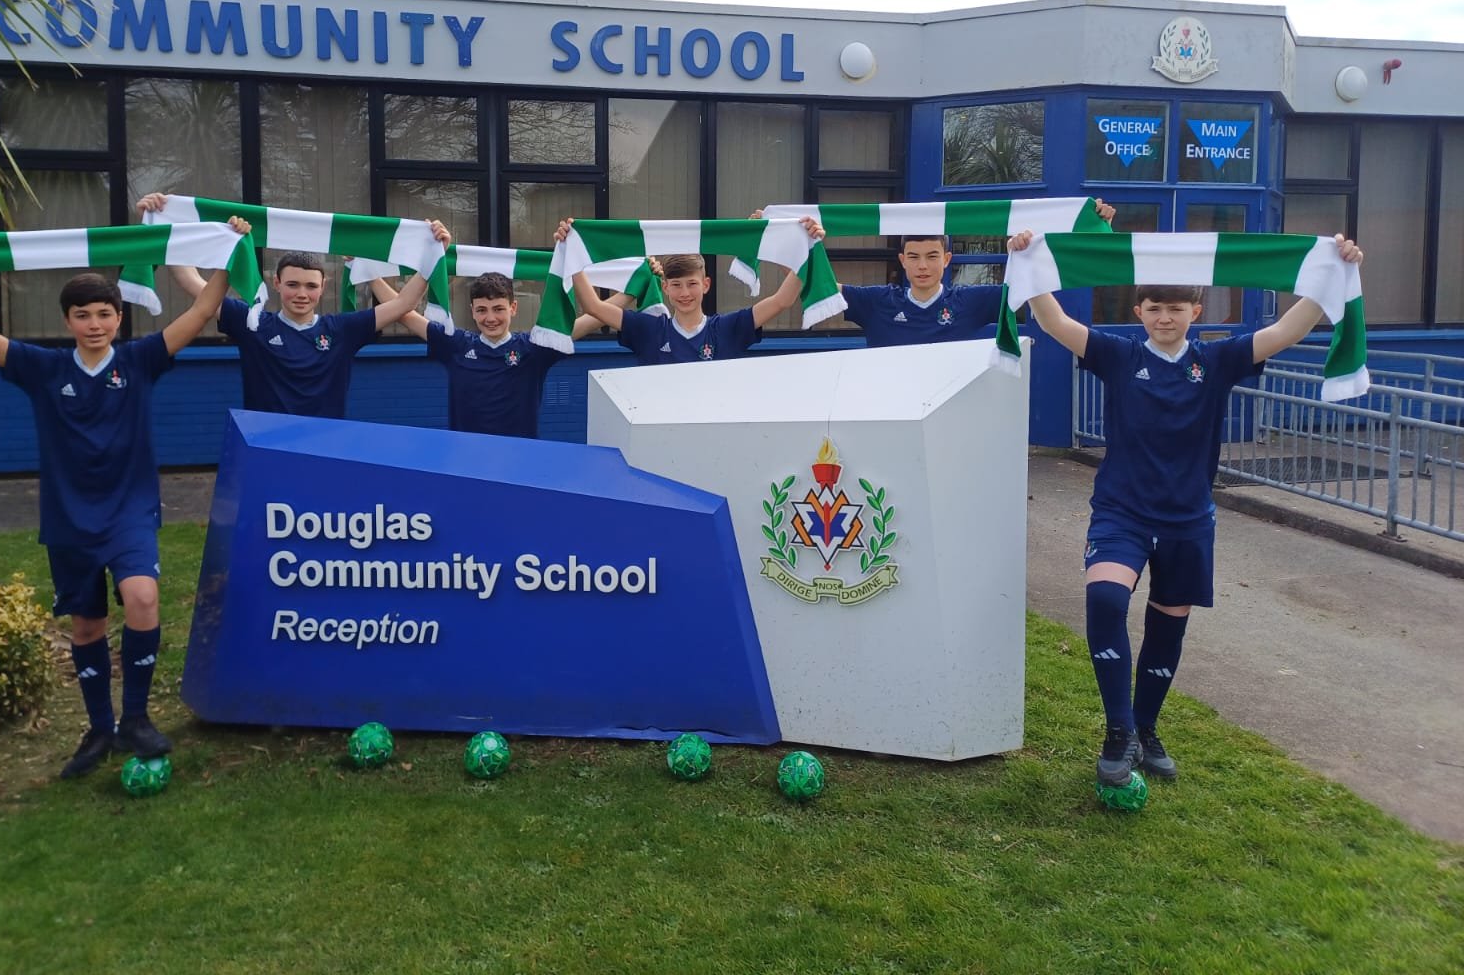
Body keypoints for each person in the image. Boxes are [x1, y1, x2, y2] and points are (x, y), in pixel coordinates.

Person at [0, 217, 252, 780]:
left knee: (143, 598)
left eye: (104, 314)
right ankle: (99, 728)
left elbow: (199, 314)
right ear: (68, 321)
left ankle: (136, 719)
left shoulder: (140, 361)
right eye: (83, 315)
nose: (94, 324)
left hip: (129, 511)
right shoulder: (42, 368)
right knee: (87, 626)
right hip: (69, 516)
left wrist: (228, 252)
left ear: (118, 318)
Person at [1006, 228, 1365, 790]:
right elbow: (1054, 322)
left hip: (1188, 519)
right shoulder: (1119, 355)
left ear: (1196, 311)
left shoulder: (1216, 359)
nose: (1165, 318)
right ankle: (1119, 733)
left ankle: (1147, 728)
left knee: (1167, 627)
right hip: (1122, 511)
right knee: (1105, 599)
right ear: (1139, 311)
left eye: (1176, 308)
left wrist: (1330, 275)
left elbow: (1285, 331)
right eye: (1154, 308)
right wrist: (1027, 260)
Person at [133, 193, 446, 419]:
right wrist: (158, 220)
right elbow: (189, 280)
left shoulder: (341, 330)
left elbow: (405, 303)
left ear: (323, 287)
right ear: (276, 283)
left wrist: (433, 253)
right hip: (264, 448)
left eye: (311, 286)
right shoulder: (252, 322)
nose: (302, 294)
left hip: (324, 450)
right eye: (293, 284)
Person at [754, 200, 1115, 346]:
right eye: (914, 257)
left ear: (947, 259)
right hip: (890, 414)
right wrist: (772, 241)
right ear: (902, 260)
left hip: (950, 422)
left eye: (931, 256)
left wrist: (1029, 255)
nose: (923, 266)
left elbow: (1035, 291)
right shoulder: (877, 301)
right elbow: (814, 282)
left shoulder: (972, 301)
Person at [371, 262, 630, 439]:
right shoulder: (456, 345)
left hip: (519, 461)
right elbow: (403, 312)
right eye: (482, 310)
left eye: (498, 309)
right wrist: (370, 274)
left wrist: (635, 287)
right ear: (472, 311)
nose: (490, 318)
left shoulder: (533, 348)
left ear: (513, 308)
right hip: (465, 460)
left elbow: (594, 317)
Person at [556, 217, 825, 364]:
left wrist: (807, 247)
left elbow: (782, 300)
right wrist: (572, 251)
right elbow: (593, 306)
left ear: (706, 285)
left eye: (692, 284)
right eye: (676, 285)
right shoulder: (650, 329)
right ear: (665, 287)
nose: (684, 293)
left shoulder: (726, 328)